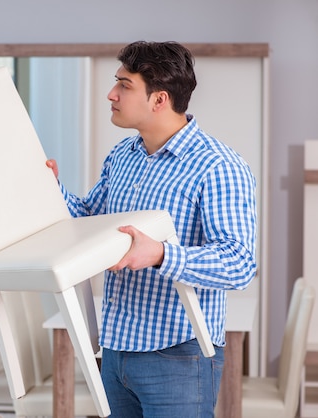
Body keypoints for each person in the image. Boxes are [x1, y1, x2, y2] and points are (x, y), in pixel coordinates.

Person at [46, 41, 257, 417]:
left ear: (159, 99)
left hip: (178, 356)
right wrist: (49, 189)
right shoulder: (122, 156)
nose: (111, 94)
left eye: (124, 85)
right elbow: (89, 219)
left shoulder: (218, 166)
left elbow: (239, 263)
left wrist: (160, 254)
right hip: (115, 352)